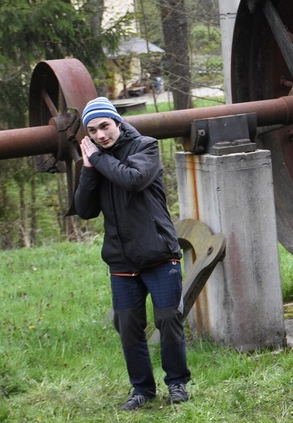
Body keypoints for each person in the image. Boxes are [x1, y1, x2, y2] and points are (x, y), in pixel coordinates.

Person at [73, 97, 190, 410]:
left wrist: (98, 160)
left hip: (158, 253)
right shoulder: (96, 160)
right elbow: (84, 210)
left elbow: (134, 179)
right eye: (93, 130)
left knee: (168, 320)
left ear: (117, 123)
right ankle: (142, 390)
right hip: (122, 260)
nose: (100, 134)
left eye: (105, 126)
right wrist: (88, 168)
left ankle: (177, 384)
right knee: (128, 326)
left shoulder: (145, 146)